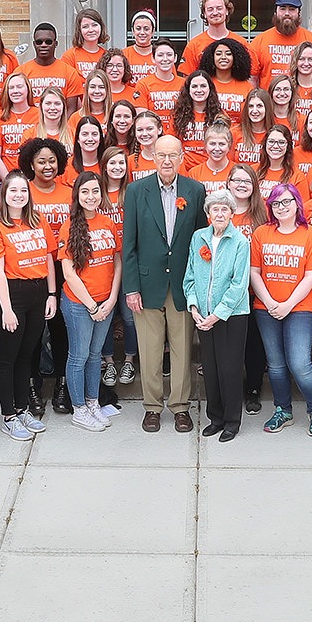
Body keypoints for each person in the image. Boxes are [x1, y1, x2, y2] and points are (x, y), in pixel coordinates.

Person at [122, 135, 208, 432]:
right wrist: (131, 288)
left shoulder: (195, 190)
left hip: (182, 283)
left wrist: (198, 285)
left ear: (182, 157)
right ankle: (152, 407)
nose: (167, 161)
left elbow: (200, 242)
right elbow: (129, 244)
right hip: (147, 284)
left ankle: (181, 407)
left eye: (172, 155)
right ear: (153, 158)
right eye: (161, 155)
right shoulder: (136, 191)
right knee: (150, 349)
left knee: (183, 349)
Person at [250, 182, 312, 436]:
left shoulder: (310, 234)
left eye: (286, 201)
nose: (281, 207)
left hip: (300, 308)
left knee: (299, 363)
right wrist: (270, 302)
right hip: (266, 308)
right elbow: (254, 272)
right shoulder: (262, 233)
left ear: (297, 203)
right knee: (275, 364)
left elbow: (311, 275)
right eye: (276, 203)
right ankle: (283, 410)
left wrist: (287, 304)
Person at [0, 171, 58, 440]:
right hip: (12, 295)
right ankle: (9, 416)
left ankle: (22, 408)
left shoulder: (38, 220)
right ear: (4, 194)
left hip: (38, 293)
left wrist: (52, 294)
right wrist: (6, 309)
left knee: (26, 356)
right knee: (7, 358)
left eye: (23, 191)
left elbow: (49, 258)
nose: (19, 195)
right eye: (13, 190)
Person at [59, 172, 124, 432]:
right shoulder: (69, 226)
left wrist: (112, 298)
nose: (91, 196)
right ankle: (79, 409)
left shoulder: (108, 223)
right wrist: (92, 306)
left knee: (96, 355)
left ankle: (93, 402)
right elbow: (68, 273)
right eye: (85, 191)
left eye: (95, 191)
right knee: (79, 356)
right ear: (77, 195)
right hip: (79, 304)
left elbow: (116, 262)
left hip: (105, 302)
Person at [185, 191, 253, 440]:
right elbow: (190, 275)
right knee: (210, 369)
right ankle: (215, 418)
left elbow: (239, 284)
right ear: (208, 214)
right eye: (215, 209)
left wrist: (217, 315)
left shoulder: (240, 242)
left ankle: (232, 422)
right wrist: (194, 307)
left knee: (229, 369)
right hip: (203, 316)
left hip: (231, 315)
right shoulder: (198, 238)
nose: (220, 213)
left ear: (232, 213)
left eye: (225, 209)